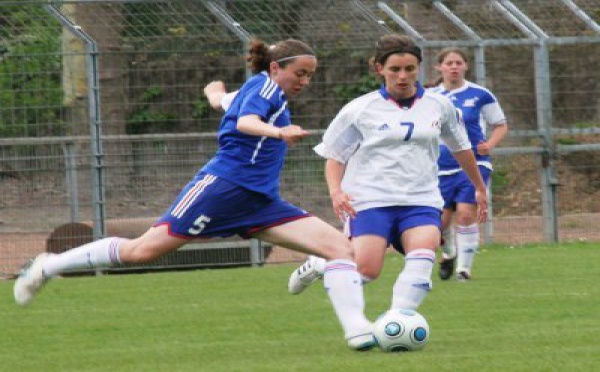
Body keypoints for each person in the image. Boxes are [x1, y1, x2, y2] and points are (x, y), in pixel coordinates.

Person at [14, 38, 376, 351]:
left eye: (310, 75)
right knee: (142, 251)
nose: (306, 81)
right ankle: (49, 265)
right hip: (219, 190)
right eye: (300, 73)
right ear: (277, 67)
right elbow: (244, 122)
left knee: (341, 250)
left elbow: (222, 101)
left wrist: (214, 93)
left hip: (259, 202)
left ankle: (357, 331)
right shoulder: (264, 89)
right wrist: (278, 133)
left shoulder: (261, 90)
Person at [285, 34, 488, 313]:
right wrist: (336, 191)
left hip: (422, 198)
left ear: (419, 68)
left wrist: (479, 187)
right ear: (379, 69)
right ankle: (322, 263)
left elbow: (462, 148)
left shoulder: (439, 105)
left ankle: (398, 320)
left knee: (423, 253)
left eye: (410, 69)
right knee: (367, 272)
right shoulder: (359, 109)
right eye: (395, 69)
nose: (403, 76)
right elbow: (334, 156)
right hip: (371, 199)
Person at [428, 47, 508, 281]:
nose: (454, 67)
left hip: (474, 163)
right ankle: (450, 253)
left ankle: (464, 270)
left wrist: (490, 144)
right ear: (439, 67)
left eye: (458, 63)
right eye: (449, 63)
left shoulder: (480, 94)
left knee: (465, 214)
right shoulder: (430, 96)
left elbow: (500, 124)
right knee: (438, 223)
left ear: (465, 66)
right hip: (439, 165)